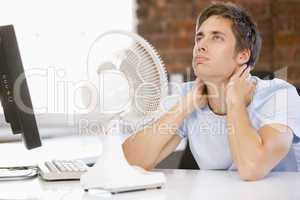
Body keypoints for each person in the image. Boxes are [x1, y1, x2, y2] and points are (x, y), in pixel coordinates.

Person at [122, 2, 300, 181]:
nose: (200, 46)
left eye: (216, 38)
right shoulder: (188, 95)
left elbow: (251, 168)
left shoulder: (278, 94)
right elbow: (129, 162)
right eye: (199, 38)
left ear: (243, 55)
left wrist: (235, 103)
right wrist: (184, 107)